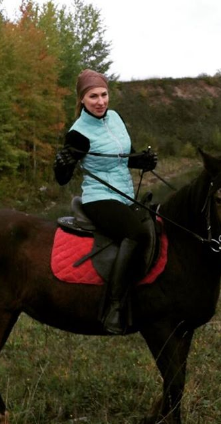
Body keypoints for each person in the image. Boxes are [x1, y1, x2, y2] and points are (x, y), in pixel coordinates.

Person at [54, 68, 157, 335]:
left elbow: (123, 157)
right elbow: (62, 179)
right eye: (93, 96)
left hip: (124, 194)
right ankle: (114, 306)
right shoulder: (78, 133)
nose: (100, 102)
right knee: (136, 234)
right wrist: (62, 164)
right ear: (82, 99)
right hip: (99, 197)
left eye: (103, 94)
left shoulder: (115, 118)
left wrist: (142, 161)